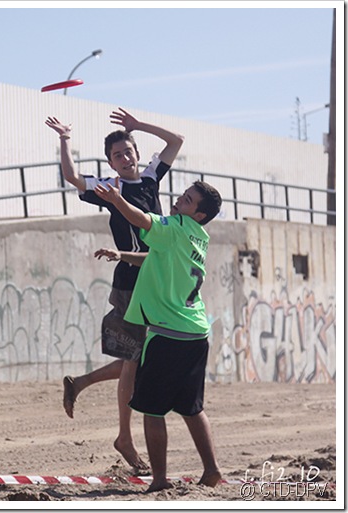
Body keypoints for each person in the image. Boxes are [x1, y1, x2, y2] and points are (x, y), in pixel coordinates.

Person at [45, 108, 183, 470]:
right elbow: (72, 177)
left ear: (137, 152)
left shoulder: (152, 177)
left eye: (128, 151)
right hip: (129, 282)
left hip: (158, 279)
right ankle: (124, 435)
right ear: (110, 162)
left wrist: (138, 125)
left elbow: (176, 141)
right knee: (136, 359)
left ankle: (82, 383)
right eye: (116, 155)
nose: (124, 158)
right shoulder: (111, 188)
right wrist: (64, 139)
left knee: (139, 359)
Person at [94, 178, 223, 492]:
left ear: (199, 214)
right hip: (196, 333)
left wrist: (116, 201)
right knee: (192, 408)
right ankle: (212, 471)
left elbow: (141, 219)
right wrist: (122, 254)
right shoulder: (198, 237)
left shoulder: (176, 225)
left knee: (151, 409)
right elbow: (157, 258)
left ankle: (160, 480)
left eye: (189, 199)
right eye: (184, 194)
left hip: (168, 335)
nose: (181, 198)